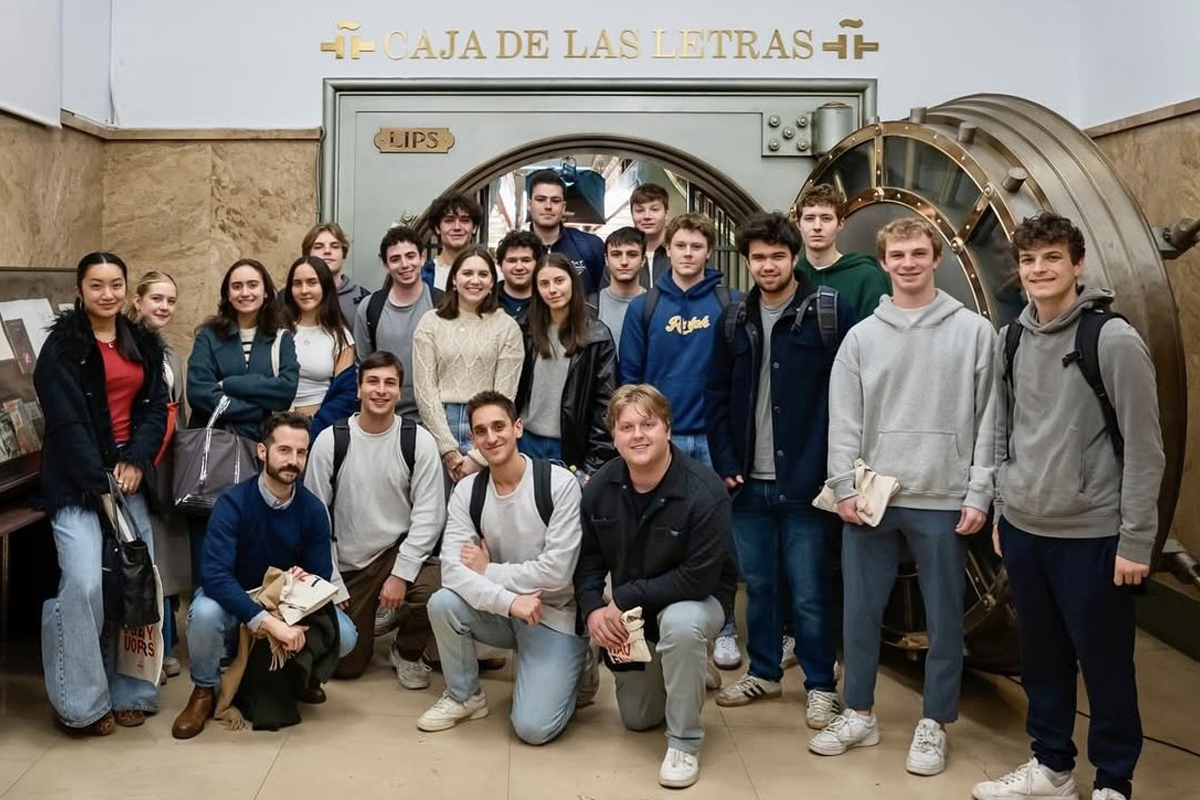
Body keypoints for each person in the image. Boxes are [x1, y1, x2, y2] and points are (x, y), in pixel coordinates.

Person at [972, 213, 1164, 800]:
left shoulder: (1111, 340)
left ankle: (1112, 782)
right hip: (1026, 531)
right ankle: (1051, 768)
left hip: (1094, 536)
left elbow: (1146, 450)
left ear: (1077, 266)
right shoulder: (1011, 340)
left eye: (1052, 258)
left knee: (1105, 666)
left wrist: (1135, 541)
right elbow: (1004, 433)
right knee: (1043, 662)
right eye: (1029, 261)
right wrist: (1004, 509)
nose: (1039, 270)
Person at [809, 217, 996, 778]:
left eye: (919, 253)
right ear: (884, 263)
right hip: (873, 497)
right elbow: (843, 419)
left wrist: (980, 492)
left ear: (937, 258)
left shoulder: (974, 334)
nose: (909, 263)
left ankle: (935, 722)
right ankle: (860, 712)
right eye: (898, 255)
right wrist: (842, 485)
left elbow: (991, 420)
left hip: (944, 496)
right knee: (860, 615)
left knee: (944, 620)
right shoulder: (863, 336)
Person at [706, 213, 854, 727]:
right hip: (748, 481)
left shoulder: (828, 312)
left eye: (776, 256)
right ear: (748, 263)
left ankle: (819, 684)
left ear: (793, 258)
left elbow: (850, 396)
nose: (767, 266)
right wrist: (725, 461)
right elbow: (716, 394)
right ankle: (765, 672)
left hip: (806, 482)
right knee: (761, 586)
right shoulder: (734, 318)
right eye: (758, 258)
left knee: (809, 589)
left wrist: (830, 470)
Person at [575, 385, 736, 789]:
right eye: (626, 426)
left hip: (699, 601)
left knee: (681, 626)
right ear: (613, 435)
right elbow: (589, 559)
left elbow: (698, 578)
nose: (638, 435)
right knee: (638, 719)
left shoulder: (705, 490)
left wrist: (624, 597)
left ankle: (684, 742)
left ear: (667, 427)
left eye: (648, 424)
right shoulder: (600, 488)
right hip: (636, 614)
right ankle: (689, 669)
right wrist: (594, 607)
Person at [36, 252, 168, 734]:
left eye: (115, 284)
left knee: (135, 585)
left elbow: (155, 409)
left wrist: (135, 459)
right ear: (80, 291)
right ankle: (81, 702)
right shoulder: (62, 348)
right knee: (85, 584)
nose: (107, 294)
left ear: (125, 289)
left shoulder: (144, 344)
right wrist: (101, 476)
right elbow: (67, 422)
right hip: (77, 484)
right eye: (96, 285)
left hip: (129, 479)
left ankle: (133, 690)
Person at [171, 413, 357, 739]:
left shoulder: (312, 510)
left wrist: (292, 598)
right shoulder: (233, 502)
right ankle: (204, 691)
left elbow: (319, 575)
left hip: (285, 600)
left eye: (301, 453)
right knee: (204, 613)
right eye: (284, 450)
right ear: (262, 451)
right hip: (235, 596)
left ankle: (298, 676)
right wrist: (267, 623)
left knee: (345, 634)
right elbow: (214, 575)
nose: (293, 461)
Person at [417, 391, 587, 745]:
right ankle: (466, 696)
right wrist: (509, 602)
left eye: (499, 426)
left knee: (533, 729)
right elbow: (452, 571)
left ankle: (579, 669)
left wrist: (489, 571)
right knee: (444, 603)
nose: (491, 437)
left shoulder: (558, 484)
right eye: (481, 431)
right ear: (473, 440)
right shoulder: (467, 491)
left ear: (518, 427)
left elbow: (557, 574)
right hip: (508, 610)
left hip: (553, 614)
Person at [618, 212, 740, 668]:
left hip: (712, 439)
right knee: (656, 538)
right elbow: (630, 378)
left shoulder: (730, 301)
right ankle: (652, 627)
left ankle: (724, 626)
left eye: (696, 247)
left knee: (718, 541)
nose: (687, 254)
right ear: (666, 250)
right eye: (680, 246)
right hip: (659, 441)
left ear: (709, 251)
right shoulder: (645, 306)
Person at [304, 351, 446, 686]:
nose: (381, 390)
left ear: (399, 392)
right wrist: (333, 585)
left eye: (390, 383)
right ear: (358, 389)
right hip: (348, 563)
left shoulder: (417, 441)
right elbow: (314, 520)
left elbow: (430, 515)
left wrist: (401, 574)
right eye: (373, 382)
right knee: (346, 666)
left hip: (395, 551)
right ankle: (372, 618)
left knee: (437, 591)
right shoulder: (331, 440)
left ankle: (407, 651)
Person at [186, 259, 300, 573]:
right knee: (210, 529)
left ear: (266, 292)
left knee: (256, 531)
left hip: (260, 448)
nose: (245, 292)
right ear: (227, 293)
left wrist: (231, 384)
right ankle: (206, 602)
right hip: (215, 450)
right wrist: (256, 404)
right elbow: (198, 390)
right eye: (237, 286)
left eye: (252, 285)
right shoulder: (209, 335)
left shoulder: (281, 337)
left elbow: (286, 391)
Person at [412, 245, 524, 482]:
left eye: (483, 275)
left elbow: (505, 395)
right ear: (454, 279)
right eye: (467, 273)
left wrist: (478, 456)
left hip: (489, 430)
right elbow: (425, 390)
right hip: (440, 423)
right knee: (438, 510)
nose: (475, 281)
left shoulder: (507, 328)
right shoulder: (430, 323)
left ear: (493, 282)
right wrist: (447, 448)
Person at [127, 271, 188, 683]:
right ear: (138, 300)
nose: (163, 307)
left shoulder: (173, 353)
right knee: (142, 555)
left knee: (164, 553)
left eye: (170, 300)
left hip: (166, 462)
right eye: (156, 299)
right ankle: (143, 649)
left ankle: (165, 642)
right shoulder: (124, 346)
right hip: (135, 461)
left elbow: (178, 408)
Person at [513, 252, 616, 472]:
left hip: (572, 447)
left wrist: (594, 465)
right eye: (544, 283)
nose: (553, 289)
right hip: (526, 441)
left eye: (559, 281)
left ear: (573, 282)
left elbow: (605, 406)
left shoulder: (597, 336)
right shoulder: (523, 330)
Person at [353, 226, 442, 419]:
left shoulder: (442, 305)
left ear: (422, 257)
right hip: (385, 417)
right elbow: (362, 365)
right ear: (386, 266)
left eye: (410, 256)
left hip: (436, 418)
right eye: (395, 259)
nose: (404, 264)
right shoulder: (370, 308)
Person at [793, 184, 891, 321]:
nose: (817, 227)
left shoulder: (866, 277)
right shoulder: (790, 276)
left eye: (826, 218)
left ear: (840, 224)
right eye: (809, 218)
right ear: (798, 224)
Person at [282, 255, 355, 416]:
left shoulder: (341, 336)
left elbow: (343, 394)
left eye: (312, 282)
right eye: (297, 283)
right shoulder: (276, 329)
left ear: (325, 286)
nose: (304, 290)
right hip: (272, 423)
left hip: (318, 423)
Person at [527, 170, 605, 294]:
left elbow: (603, 295)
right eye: (541, 199)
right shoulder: (517, 251)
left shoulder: (591, 246)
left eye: (555, 200)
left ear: (563, 207)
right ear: (529, 205)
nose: (548, 206)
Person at [592, 226, 648, 353]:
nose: (624, 262)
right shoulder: (589, 307)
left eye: (632, 254)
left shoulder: (657, 305)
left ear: (643, 260)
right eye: (616, 254)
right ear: (606, 260)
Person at [303, 222, 370, 327]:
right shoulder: (291, 297)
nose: (327, 251)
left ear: (343, 253)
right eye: (319, 246)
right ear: (307, 253)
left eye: (334, 246)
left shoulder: (364, 298)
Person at [421, 192, 484, 291]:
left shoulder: (490, 273)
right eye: (449, 220)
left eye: (464, 220)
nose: (457, 227)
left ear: (475, 228)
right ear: (438, 228)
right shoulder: (424, 276)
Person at [496, 229, 545, 323]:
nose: (519, 267)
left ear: (538, 264)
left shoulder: (547, 301)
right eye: (512, 260)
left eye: (526, 260)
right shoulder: (487, 300)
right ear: (500, 265)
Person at [629, 182, 672, 286]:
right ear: (632, 214)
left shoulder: (681, 250)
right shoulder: (622, 253)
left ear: (666, 214)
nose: (647, 216)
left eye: (654, 209)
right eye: (640, 210)